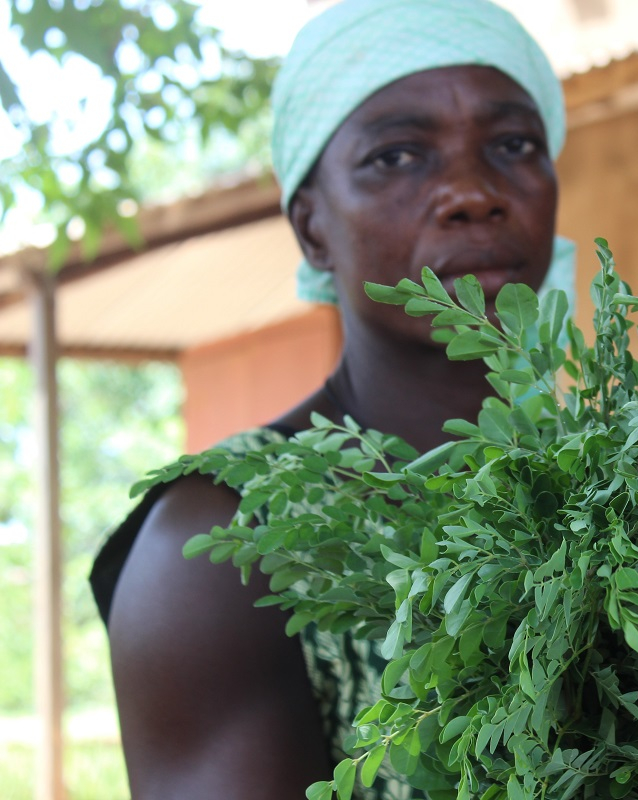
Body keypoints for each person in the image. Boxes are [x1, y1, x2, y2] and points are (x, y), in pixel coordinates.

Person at [89, 1, 575, 797]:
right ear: (313, 229)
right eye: (397, 156)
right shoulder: (233, 537)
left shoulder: (634, 487)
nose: (471, 191)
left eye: (513, 145)